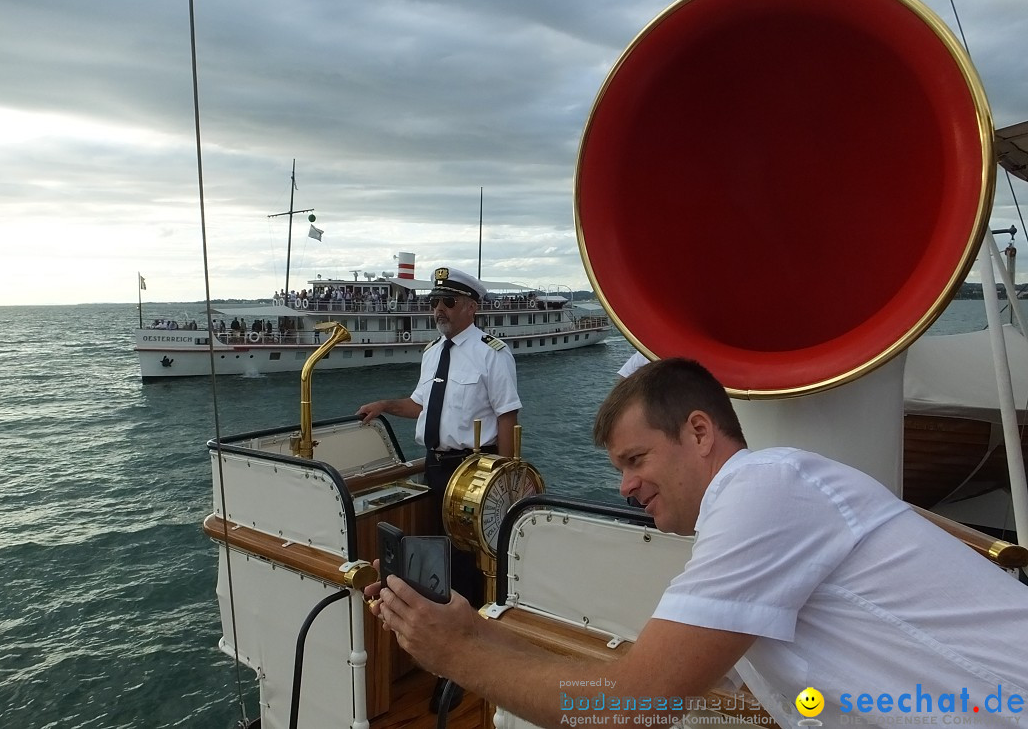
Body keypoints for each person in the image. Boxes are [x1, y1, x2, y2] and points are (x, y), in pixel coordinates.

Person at [369, 358, 1028, 727]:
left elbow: (632, 707)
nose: (625, 487)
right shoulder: (763, 506)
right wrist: (477, 634)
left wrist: (458, 656)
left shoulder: (763, 491)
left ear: (700, 432)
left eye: (635, 460)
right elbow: (647, 678)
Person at [357, 265, 522, 712]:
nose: (438, 310)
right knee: (440, 563)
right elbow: (421, 406)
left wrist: (503, 483)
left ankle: (461, 668)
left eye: (447, 302)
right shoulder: (433, 354)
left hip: (475, 469)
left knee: (468, 568)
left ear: (471, 306)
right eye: (434, 302)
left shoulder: (493, 353)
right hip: (435, 470)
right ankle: (448, 655)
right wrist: (386, 406)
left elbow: (507, 417)